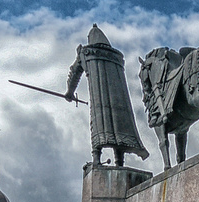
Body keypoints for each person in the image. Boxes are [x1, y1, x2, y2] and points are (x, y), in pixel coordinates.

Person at [63, 25, 149, 166]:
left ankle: (96, 159)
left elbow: (74, 72)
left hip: (100, 98)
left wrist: (69, 92)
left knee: (99, 122)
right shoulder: (117, 57)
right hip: (121, 101)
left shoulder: (86, 52)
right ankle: (119, 161)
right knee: (119, 125)